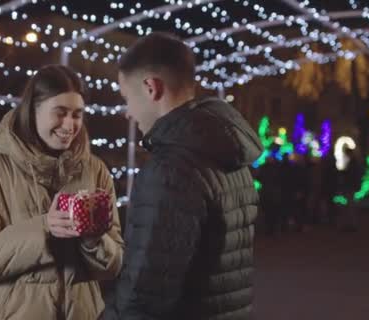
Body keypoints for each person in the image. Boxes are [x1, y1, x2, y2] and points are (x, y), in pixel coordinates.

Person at [103, 32, 263, 320]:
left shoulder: (170, 169)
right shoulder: (228, 154)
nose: (127, 112)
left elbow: (146, 293)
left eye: (126, 98)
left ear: (151, 88)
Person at [0, 65, 124, 319]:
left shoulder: (95, 171)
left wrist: (94, 240)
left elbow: (114, 265)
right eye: (60, 113)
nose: (70, 124)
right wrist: (44, 228)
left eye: (77, 114)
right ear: (32, 110)